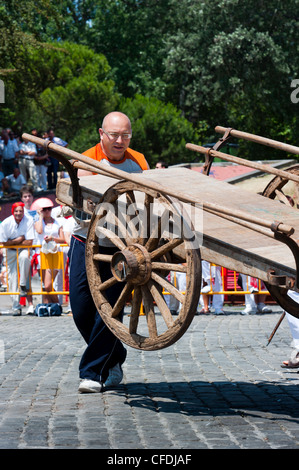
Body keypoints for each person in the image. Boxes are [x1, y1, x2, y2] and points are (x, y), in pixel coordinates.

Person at [68, 111, 149, 393]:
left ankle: (91, 372)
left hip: (121, 249)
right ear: (101, 134)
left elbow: (147, 202)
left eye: (125, 135)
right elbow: (84, 202)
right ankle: (114, 358)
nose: (120, 141)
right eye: (114, 135)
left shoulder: (138, 162)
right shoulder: (85, 159)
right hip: (86, 242)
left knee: (110, 311)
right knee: (81, 309)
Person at [0, 202, 34, 315]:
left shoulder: (28, 220)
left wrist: (12, 242)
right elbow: (4, 243)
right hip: (10, 251)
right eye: (16, 211)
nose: (18, 213)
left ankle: (23, 284)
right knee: (12, 278)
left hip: (22, 249)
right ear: (13, 212)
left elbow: (29, 242)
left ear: (23, 211)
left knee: (24, 258)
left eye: (20, 211)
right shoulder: (6, 223)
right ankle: (16, 306)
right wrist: (19, 239)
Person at [33, 198, 65, 304]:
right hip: (42, 254)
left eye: (49, 209)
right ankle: (49, 307)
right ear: (41, 210)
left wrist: (52, 239)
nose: (47, 211)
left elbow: (63, 239)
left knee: (48, 285)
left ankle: (57, 305)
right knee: (45, 285)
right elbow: (40, 231)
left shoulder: (57, 222)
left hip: (55, 253)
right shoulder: (38, 221)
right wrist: (40, 216)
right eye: (44, 209)